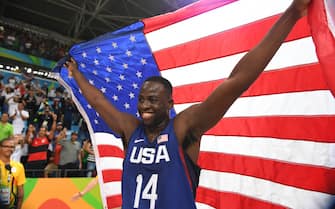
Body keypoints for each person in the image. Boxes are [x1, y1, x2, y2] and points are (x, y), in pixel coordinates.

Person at [64, 1, 311, 208]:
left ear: (169, 103)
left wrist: (292, 14)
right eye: (141, 99)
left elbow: (237, 81)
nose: (144, 105)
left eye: (152, 100)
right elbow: (97, 101)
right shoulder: (131, 129)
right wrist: (76, 74)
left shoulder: (183, 127)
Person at [0, 137, 26, 209]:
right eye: (6, 146)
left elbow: (20, 192)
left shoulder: (19, 166)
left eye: (12, 147)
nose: (10, 149)